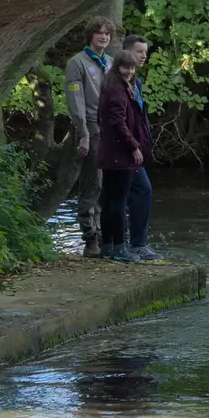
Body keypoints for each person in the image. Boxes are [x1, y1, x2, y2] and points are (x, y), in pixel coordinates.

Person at [65, 17, 116, 257]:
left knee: (111, 183)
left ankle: (108, 233)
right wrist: (83, 133)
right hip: (92, 126)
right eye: (99, 33)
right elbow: (76, 101)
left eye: (107, 34)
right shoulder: (78, 63)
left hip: (112, 128)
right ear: (90, 35)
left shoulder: (111, 63)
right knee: (93, 182)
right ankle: (90, 237)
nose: (103, 37)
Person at [96, 48, 152, 262]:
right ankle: (120, 247)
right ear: (116, 67)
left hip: (109, 153)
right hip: (120, 155)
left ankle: (108, 246)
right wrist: (134, 146)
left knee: (109, 201)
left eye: (131, 68)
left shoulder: (111, 86)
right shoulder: (118, 90)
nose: (129, 71)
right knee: (117, 202)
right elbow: (118, 122)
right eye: (125, 67)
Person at [121, 33, 163, 261]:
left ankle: (132, 244)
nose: (144, 56)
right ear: (127, 52)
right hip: (123, 148)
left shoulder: (136, 82)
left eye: (145, 53)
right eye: (139, 52)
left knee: (134, 193)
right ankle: (130, 245)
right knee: (139, 191)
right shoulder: (117, 82)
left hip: (137, 148)